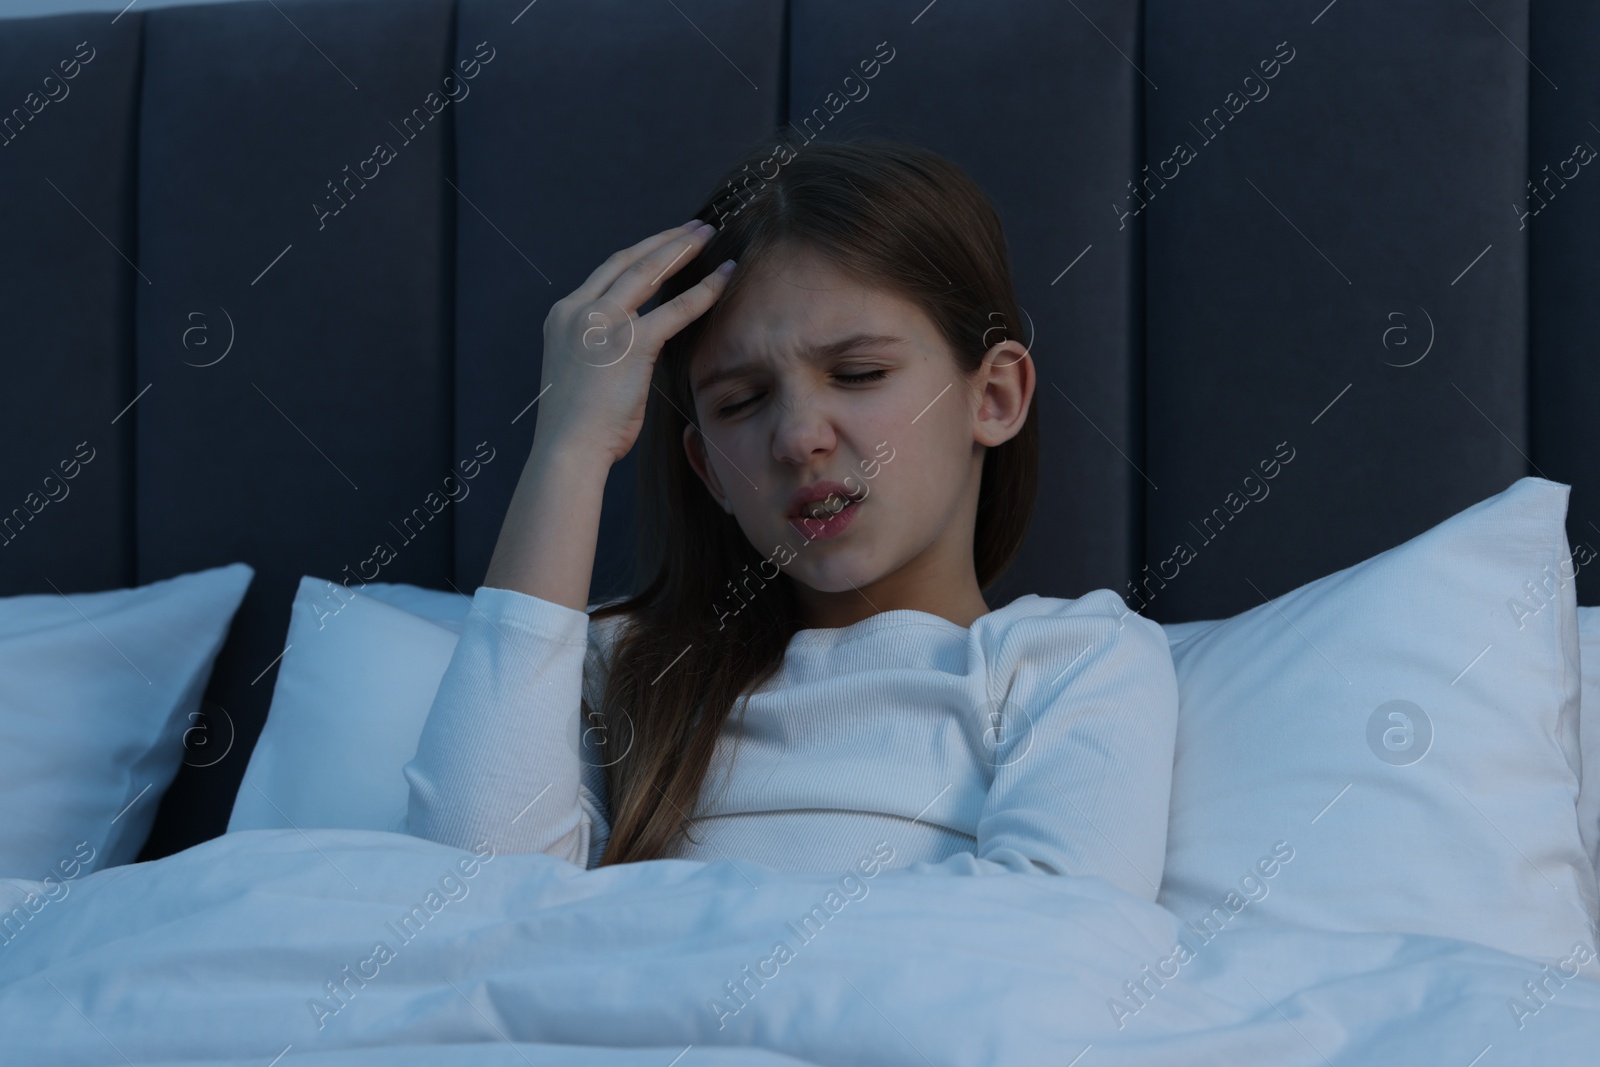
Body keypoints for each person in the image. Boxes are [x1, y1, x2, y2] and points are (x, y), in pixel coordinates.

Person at [404, 135, 1180, 893]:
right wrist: (570, 450)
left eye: (858, 372)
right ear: (707, 468)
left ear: (993, 397)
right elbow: (466, 894)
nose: (799, 437)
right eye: (741, 402)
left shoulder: (1073, 660)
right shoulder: (622, 670)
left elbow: (1050, 942)